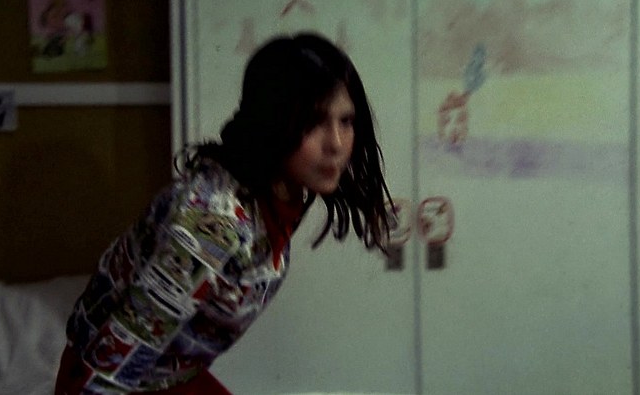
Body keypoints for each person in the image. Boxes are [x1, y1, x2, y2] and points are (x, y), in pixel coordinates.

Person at [55, 32, 395, 394]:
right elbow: (111, 363)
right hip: (109, 379)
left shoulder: (279, 195)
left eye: (346, 121)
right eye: (313, 122)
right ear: (272, 122)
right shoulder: (210, 224)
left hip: (168, 375)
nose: (337, 143)